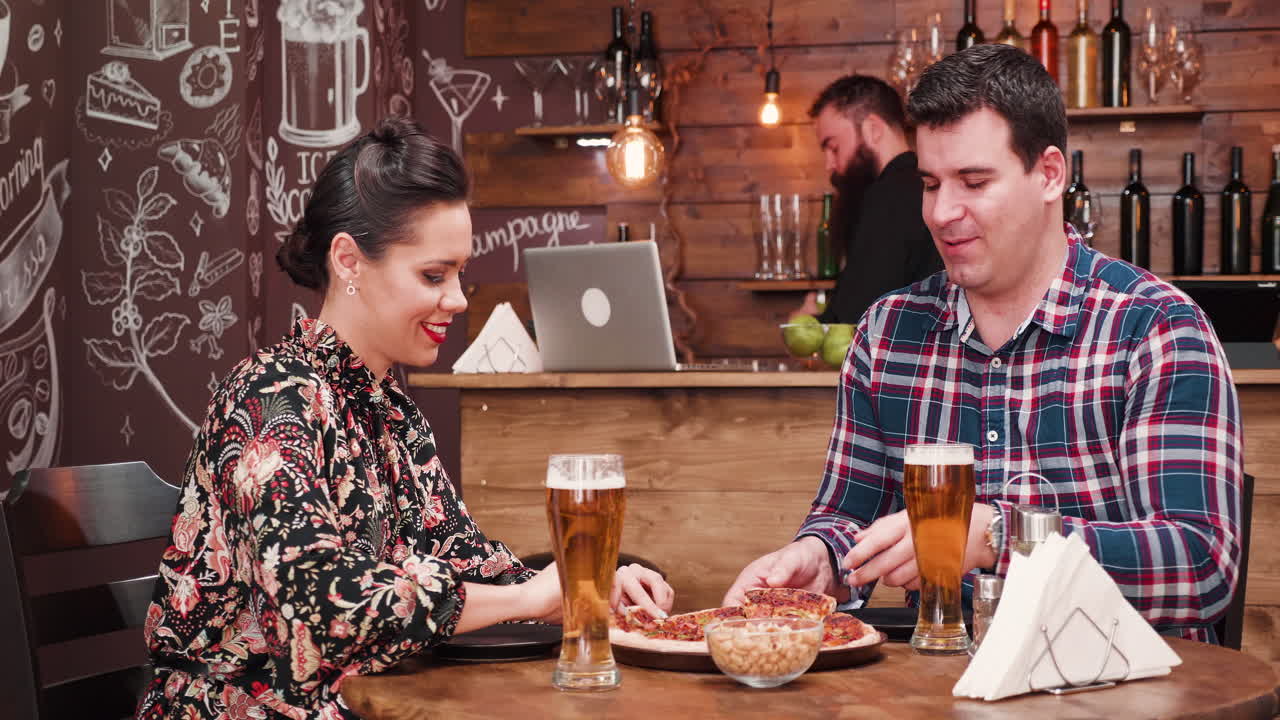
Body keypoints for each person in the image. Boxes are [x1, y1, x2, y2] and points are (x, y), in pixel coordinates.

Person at [136, 118, 674, 719]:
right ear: (349, 260)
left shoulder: (390, 408)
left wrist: (583, 587)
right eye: (433, 275)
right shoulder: (271, 398)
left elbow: (468, 561)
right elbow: (328, 608)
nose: (459, 299)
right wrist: (535, 594)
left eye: (459, 274)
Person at [727, 44, 1243, 643]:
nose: (943, 212)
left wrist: (1001, 536)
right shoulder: (887, 334)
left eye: (974, 182)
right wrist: (820, 558)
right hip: (940, 686)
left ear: (1049, 175)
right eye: (929, 183)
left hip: (1122, 689)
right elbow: (848, 513)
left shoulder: (1156, 330)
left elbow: (1200, 562)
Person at [796, 74, 942, 324]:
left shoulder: (888, 197)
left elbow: (855, 316)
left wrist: (806, 324)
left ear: (873, 129)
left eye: (834, 148)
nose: (829, 165)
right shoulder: (925, 187)